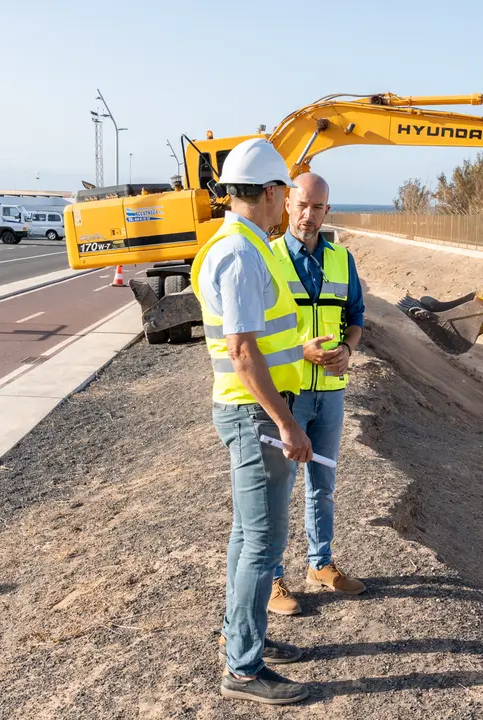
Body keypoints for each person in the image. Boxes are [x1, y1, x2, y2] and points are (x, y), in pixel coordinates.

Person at [189, 138, 313, 705]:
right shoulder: (240, 252)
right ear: (269, 191)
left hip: (249, 408)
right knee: (262, 541)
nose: (289, 201)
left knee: (248, 535)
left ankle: (244, 637)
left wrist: (301, 352)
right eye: (286, 191)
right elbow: (242, 350)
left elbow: (261, 338)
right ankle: (242, 669)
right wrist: (287, 423)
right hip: (253, 413)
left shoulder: (243, 242)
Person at [265, 173, 367, 617]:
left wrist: (348, 349)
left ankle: (320, 564)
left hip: (331, 395)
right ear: (288, 204)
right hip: (287, 395)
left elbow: (357, 316)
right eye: (302, 205)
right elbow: (253, 336)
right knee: (276, 489)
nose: (309, 215)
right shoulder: (266, 259)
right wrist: (297, 351)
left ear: (328, 210)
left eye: (318, 207)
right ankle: (270, 579)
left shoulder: (343, 260)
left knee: (322, 485)